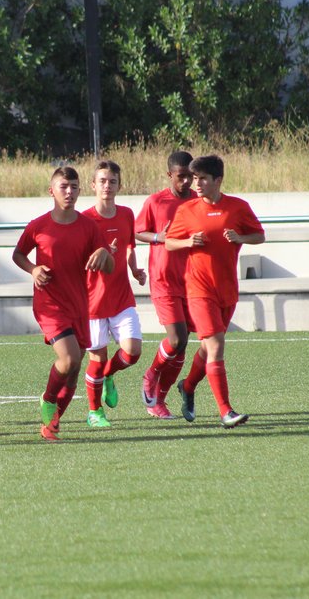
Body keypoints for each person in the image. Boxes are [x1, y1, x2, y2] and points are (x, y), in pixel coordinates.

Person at [13, 166, 113, 441]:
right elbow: (18, 254)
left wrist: (104, 253)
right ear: (52, 191)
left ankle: (52, 424)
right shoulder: (38, 225)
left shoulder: (89, 227)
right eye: (63, 187)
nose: (69, 192)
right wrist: (33, 269)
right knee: (68, 359)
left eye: (74, 187)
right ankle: (48, 399)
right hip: (49, 304)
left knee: (74, 369)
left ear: (80, 190)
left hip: (79, 305)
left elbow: (110, 266)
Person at [165, 154, 264, 428]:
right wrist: (187, 242)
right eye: (194, 178)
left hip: (227, 290)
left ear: (218, 180)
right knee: (217, 346)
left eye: (203, 179)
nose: (196, 184)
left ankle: (187, 386)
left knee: (208, 348)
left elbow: (260, 235)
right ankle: (226, 411)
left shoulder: (238, 207)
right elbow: (170, 243)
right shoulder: (187, 210)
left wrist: (240, 238)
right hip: (199, 289)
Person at [81, 161, 146, 428]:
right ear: (93, 185)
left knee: (132, 352)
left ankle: (109, 375)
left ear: (120, 185)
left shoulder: (127, 214)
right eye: (102, 181)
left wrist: (135, 270)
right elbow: (79, 260)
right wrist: (104, 252)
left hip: (121, 297)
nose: (107, 186)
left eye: (112, 181)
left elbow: (130, 246)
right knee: (96, 360)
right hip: (92, 301)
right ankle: (94, 412)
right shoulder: (84, 220)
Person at [134, 150, 196, 419]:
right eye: (181, 176)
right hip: (164, 280)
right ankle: (151, 375)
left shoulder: (198, 200)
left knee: (183, 343)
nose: (186, 181)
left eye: (190, 176)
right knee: (177, 338)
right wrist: (159, 237)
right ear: (169, 174)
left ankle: (159, 399)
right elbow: (137, 231)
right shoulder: (156, 201)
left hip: (192, 280)